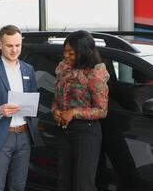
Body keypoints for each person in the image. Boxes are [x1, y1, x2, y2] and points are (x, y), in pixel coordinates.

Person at [0, 24, 40, 191]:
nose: (14, 50)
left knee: (19, 186)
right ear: (0, 45)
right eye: (9, 45)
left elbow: (33, 98)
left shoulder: (28, 70)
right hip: (0, 137)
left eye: (17, 45)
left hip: (24, 136)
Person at [51, 30, 109, 191]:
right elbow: (56, 98)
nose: (66, 56)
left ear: (83, 52)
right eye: (65, 52)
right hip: (63, 129)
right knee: (63, 182)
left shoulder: (95, 73)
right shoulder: (63, 68)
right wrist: (55, 110)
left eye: (71, 53)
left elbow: (102, 110)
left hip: (86, 132)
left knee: (83, 185)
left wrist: (74, 112)